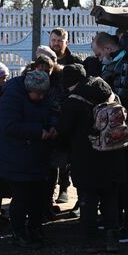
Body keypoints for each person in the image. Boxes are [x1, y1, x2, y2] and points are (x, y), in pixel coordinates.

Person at [56, 64, 127, 253]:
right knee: (110, 199)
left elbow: (63, 131)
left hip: (86, 159)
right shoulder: (107, 91)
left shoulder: (73, 102)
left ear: (69, 82)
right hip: (113, 155)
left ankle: (91, 240)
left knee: (88, 201)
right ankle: (113, 239)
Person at [92, 31, 128, 243]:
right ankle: (117, 221)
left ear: (107, 49)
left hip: (123, 129)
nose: (99, 59)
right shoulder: (121, 63)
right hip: (120, 128)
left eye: (98, 54)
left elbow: (120, 98)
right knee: (118, 177)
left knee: (125, 180)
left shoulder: (125, 64)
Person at [0, 70, 54, 249]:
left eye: (44, 93)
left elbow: (51, 111)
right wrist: (38, 132)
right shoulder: (11, 97)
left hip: (36, 155)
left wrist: (53, 125)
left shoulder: (42, 95)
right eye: (38, 94)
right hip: (16, 156)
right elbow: (10, 126)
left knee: (39, 196)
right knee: (22, 197)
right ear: (29, 90)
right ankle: (18, 232)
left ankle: (35, 229)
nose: (42, 97)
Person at [48, 29, 80, 205]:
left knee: (68, 153)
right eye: (53, 40)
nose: (56, 43)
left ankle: (64, 188)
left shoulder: (74, 62)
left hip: (68, 111)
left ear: (66, 42)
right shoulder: (45, 60)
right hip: (49, 111)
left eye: (60, 40)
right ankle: (49, 193)